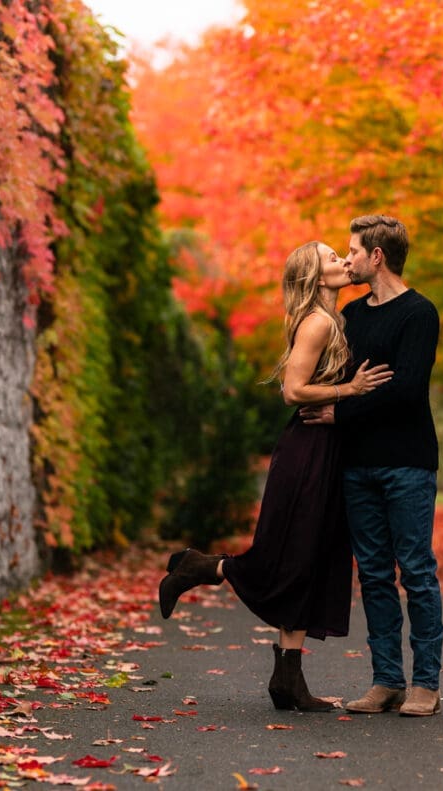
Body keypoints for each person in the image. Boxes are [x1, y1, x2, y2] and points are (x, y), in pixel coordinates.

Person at [158, 240, 394, 712]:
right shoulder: (318, 322)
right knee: (291, 553)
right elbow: (292, 391)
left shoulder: (334, 318)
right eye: (332, 258)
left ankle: (287, 680)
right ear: (314, 276)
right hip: (308, 449)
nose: (344, 262)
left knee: (312, 556)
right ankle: (202, 567)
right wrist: (351, 388)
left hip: (327, 448)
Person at [301, 214, 443, 717]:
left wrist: (340, 410)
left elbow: (405, 391)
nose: (348, 259)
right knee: (376, 576)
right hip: (357, 464)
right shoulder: (354, 317)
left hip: (406, 463)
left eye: (354, 251)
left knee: (417, 572)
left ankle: (425, 683)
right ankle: (387, 681)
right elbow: (339, 375)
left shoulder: (419, 314)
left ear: (376, 256)